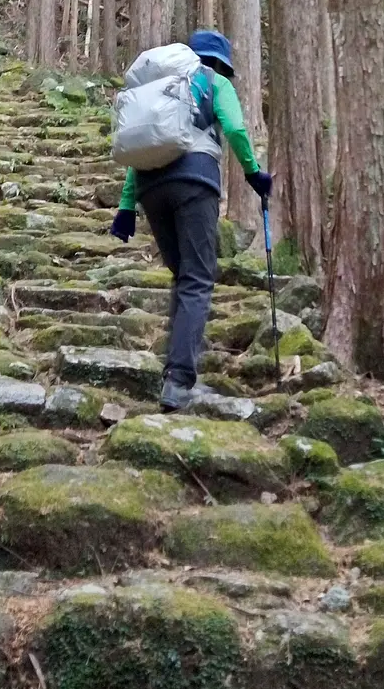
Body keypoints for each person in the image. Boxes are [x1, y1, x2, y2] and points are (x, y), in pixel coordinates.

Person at [110, 29, 272, 411]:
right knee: (198, 280)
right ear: (221, 62)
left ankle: (175, 371)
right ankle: (180, 382)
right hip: (195, 184)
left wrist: (126, 207)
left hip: (152, 189)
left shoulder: (163, 88)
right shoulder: (214, 83)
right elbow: (233, 128)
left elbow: (144, 151)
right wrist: (253, 174)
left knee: (184, 278)